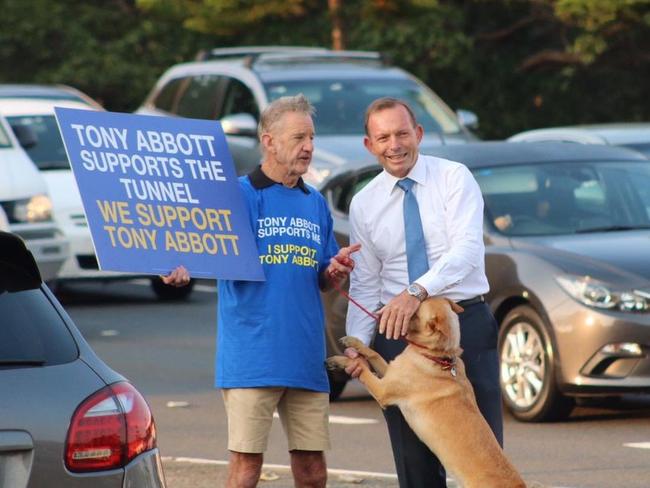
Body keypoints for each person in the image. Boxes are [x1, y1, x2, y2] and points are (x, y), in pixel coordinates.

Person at [163, 94, 360, 488]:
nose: (308, 147)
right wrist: (178, 270)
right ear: (268, 141)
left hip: (305, 354)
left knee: (313, 473)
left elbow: (320, 275)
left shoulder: (314, 202)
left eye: (311, 137)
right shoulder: (237, 195)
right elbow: (197, 252)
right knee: (246, 471)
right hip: (252, 355)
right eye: (298, 137)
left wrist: (333, 269)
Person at [344, 97, 502, 488]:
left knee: (483, 462)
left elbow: (466, 250)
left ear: (418, 134)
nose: (394, 145)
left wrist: (417, 291)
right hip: (398, 335)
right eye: (383, 138)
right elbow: (366, 280)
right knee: (414, 469)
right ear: (369, 145)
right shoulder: (364, 203)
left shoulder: (454, 177)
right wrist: (357, 343)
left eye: (401, 134)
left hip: (464, 325)